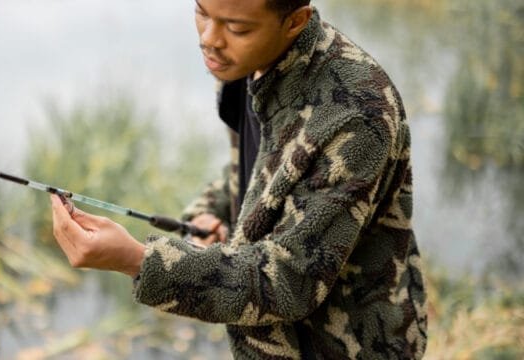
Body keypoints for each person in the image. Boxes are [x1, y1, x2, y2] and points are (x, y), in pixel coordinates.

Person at [50, 0, 428, 358]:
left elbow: (290, 281)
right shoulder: (247, 60)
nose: (209, 38)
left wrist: (138, 260)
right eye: (201, 12)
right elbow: (262, 167)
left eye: (235, 27)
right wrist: (211, 212)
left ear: (295, 22)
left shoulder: (357, 114)